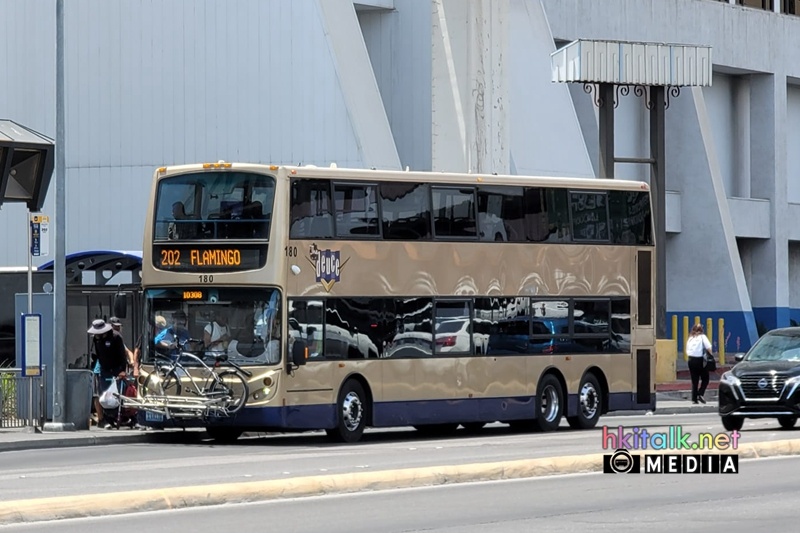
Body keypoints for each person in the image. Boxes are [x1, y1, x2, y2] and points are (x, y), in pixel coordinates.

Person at [88, 319, 128, 428]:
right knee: (102, 394)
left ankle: (118, 416)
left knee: (118, 393)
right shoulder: (96, 339)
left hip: (116, 368)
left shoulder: (116, 337)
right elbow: (98, 354)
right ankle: (104, 419)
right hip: (103, 368)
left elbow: (122, 355)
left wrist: (122, 370)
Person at [685, 323, 713, 404]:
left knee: (694, 380)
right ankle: (700, 393)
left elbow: (687, 349)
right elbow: (708, 347)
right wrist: (711, 356)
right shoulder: (702, 337)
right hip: (699, 360)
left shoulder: (690, 338)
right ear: (701, 330)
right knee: (705, 378)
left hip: (690, 360)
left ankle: (694, 399)